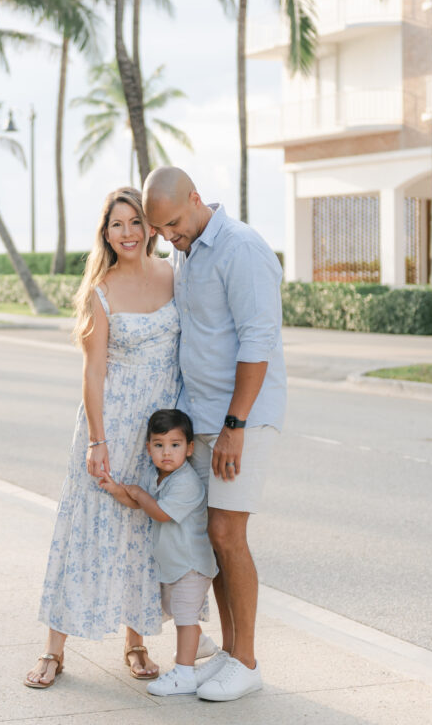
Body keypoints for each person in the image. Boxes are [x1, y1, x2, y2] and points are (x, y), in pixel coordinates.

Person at [24, 187, 181, 689]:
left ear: (150, 226)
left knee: (142, 536)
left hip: (158, 431)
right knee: (85, 533)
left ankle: (136, 643)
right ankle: (53, 651)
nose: (128, 232)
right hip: (111, 424)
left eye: (135, 221)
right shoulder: (101, 289)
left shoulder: (175, 277)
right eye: (117, 224)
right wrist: (98, 441)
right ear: (106, 233)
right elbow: (93, 373)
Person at [142, 167, 286, 703]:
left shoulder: (242, 248)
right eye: (160, 230)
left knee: (227, 533)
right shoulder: (187, 248)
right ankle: (229, 653)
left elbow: (258, 340)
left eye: (174, 223)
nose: (168, 236)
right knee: (211, 538)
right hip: (202, 419)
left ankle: (246, 661)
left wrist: (234, 426)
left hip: (240, 420)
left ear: (197, 199)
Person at [99, 408, 218, 697]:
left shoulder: (187, 483)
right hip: (173, 565)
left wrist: (140, 493)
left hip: (191, 565)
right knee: (177, 612)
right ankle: (200, 645)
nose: (167, 453)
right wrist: (117, 490)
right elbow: (141, 504)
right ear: (149, 447)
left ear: (189, 449)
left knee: (185, 618)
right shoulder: (160, 476)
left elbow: (160, 512)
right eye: (159, 445)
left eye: (175, 445)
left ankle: (183, 672)